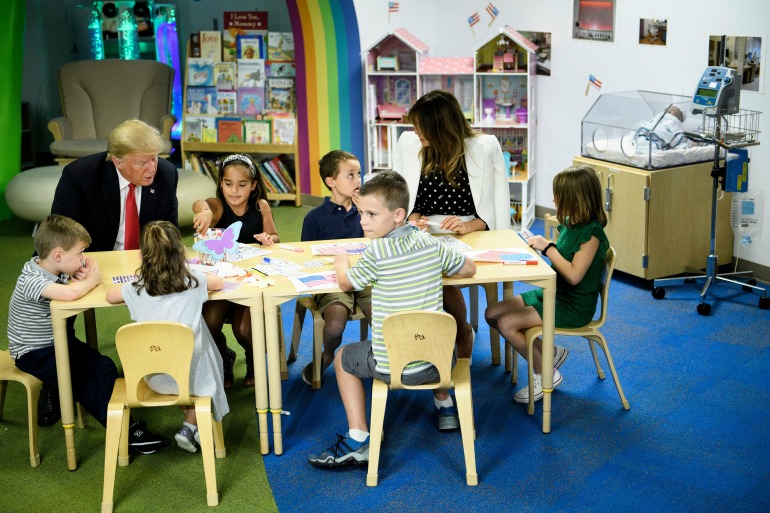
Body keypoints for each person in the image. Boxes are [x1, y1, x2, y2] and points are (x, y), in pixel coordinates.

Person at [307, 171, 476, 468]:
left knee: (343, 357)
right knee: (430, 329)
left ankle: (358, 438)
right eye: (362, 213)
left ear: (399, 215)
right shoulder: (430, 244)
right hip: (440, 363)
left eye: (372, 214)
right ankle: (444, 404)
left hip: (393, 367)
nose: (364, 221)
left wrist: (340, 260)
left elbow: (346, 283)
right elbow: (469, 269)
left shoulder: (376, 253)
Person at [41, 118, 178, 440]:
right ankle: (54, 380)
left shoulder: (167, 175)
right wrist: (79, 268)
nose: (152, 167)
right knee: (57, 300)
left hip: (143, 261)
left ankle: (168, 366)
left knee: (177, 292)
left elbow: (166, 232)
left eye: (155, 158)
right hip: (89, 260)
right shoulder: (80, 175)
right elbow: (60, 234)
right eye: (142, 161)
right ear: (117, 160)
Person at [8, 215, 165, 453]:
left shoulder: (53, 268)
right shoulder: (30, 280)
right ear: (58, 255)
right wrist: (91, 279)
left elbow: (77, 277)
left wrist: (81, 270)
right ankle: (126, 431)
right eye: (79, 253)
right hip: (34, 353)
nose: (83, 259)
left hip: (58, 343)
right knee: (88, 379)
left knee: (104, 366)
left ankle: (119, 419)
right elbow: (70, 295)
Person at [392, 90, 509, 361]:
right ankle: (426, 338)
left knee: (439, 272)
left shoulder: (485, 146)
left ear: (440, 127)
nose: (415, 132)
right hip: (424, 232)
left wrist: (472, 226)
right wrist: (412, 218)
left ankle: (460, 333)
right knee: (408, 270)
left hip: (470, 233)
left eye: (421, 127)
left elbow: (495, 206)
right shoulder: (410, 144)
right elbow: (405, 197)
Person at [485, 165, 610, 404]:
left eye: (558, 195)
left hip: (573, 306)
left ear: (576, 199)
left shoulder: (592, 233)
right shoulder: (571, 223)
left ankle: (546, 374)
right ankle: (550, 352)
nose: (553, 199)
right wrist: (538, 245)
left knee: (507, 323)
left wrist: (547, 248)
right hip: (555, 294)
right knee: (492, 313)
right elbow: (564, 253)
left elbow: (574, 275)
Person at [106, 221, 230, 453]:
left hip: (154, 376)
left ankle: (193, 426)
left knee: (192, 352)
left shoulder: (135, 288)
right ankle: (192, 425)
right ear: (181, 252)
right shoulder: (193, 281)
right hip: (193, 378)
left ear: (143, 257)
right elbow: (219, 283)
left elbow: (110, 296)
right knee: (211, 359)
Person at [191, 154, 279, 388]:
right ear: (221, 184)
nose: (234, 191)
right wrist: (205, 212)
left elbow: (275, 235)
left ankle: (253, 360)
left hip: (249, 283)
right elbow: (199, 204)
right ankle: (224, 357)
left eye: (242, 185)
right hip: (220, 283)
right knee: (208, 323)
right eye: (228, 184)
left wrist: (268, 238)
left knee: (243, 330)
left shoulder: (261, 207)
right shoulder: (218, 207)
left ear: (253, 186)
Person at [299, 150, 372, 387]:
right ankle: (328, 354)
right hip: (331, 282)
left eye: (359, 174)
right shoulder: (314, 218)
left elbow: (376, 242)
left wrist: (365, 213)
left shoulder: (367, 211)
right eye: (350, 175)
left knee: (380, 314)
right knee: (335, 322)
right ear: (331, 182)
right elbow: (306, 260)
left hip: (365, 277)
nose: (358, 180)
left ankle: (386, 358)